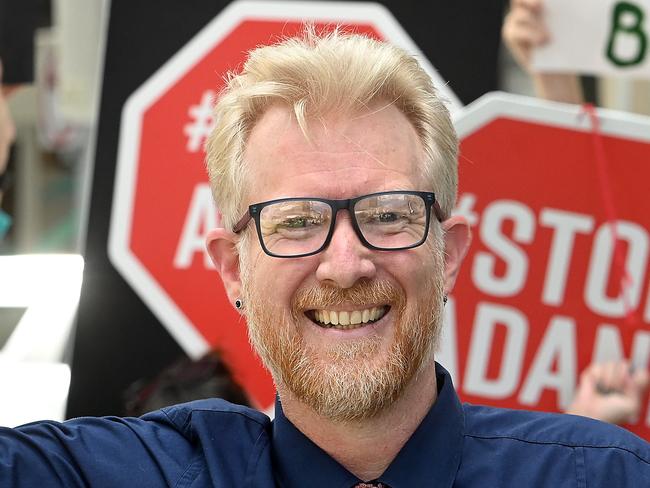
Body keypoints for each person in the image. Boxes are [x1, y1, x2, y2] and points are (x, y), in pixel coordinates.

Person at [1, 29, 648, 487]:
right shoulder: (132, 474)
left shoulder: (609, 475)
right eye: (297, 222)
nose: (346, 264)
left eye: (389, 215)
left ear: (449, 255)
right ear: (233, 268)